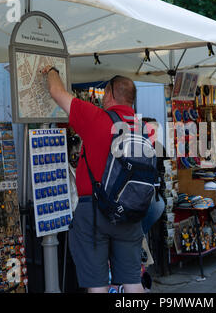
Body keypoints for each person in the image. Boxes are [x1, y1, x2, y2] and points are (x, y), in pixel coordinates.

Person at [41, 65, 145, 293]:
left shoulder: (96, 117)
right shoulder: (143, 128)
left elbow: (57, 92)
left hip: (94, 212)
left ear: (108, 94)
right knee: (132, 280)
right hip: (130, 211)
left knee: (97, 284)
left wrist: (51, 70)